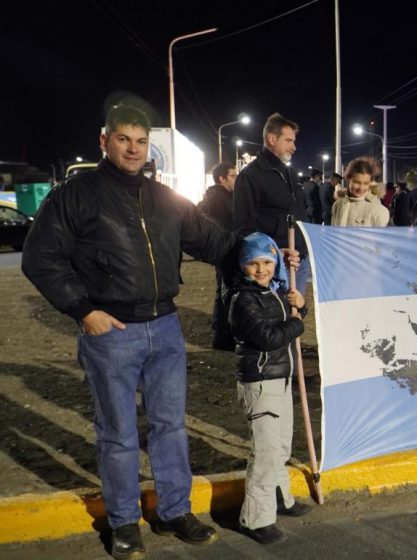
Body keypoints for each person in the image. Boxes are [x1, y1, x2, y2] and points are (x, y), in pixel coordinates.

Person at [21, 104, 236, 559]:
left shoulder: (164, 198)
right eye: (124, 139)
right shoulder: (75, 196)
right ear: (105, 141)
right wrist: (83, 310)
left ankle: (175, 510)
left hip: (166, 327)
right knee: (117, 433)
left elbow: (216, 243)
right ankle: (123, 522)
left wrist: (267, 250)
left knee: (170, 428)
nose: (134, 149)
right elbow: (40, 258)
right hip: (111, 334)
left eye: (141, 141)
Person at [229, 232, 312, 545]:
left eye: (267, 261)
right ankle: (255, 518)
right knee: (264, 452)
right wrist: (298, 324)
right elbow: (268, 337)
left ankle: (279, 498)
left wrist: (300, 308)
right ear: (243, 266)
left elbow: (287, 319)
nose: (261, 268)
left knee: (280, 447)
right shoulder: (243, 299)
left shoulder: (272, 292)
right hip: (261, 383)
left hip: (281, 377)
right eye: (253, 263)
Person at [234, 113, 312, 290]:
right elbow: (246, 226)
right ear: (271, 139)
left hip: (298, 259)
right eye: (289, 141)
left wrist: (304, 248)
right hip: (274, 264)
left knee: (295, 312)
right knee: (274, 313)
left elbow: (298, 212)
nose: (294, 147)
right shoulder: (250, 176)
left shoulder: (290, 173)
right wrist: (272, 255)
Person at [198, 161, 239, 350]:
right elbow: (220, 228)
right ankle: (222, 336)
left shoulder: (223, 196)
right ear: (221, 178)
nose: (236, 179)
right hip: (225, 252)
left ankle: (224, 331)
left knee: (226, 290)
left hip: (227, 250)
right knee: (225, 291)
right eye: (233, 176)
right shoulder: (217, 199)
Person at [331, 157, 390, 227]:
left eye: (365, 183)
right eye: (357, 182)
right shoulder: (337, 205)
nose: (361, 188)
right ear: (348, 180)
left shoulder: (380, 211)